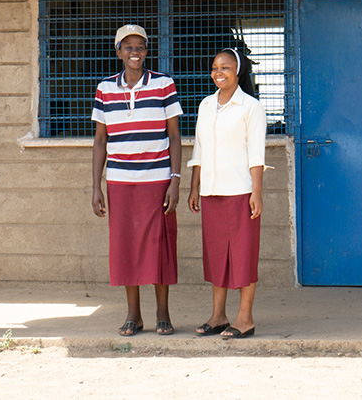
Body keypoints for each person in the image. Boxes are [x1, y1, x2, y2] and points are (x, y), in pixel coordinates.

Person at [91, 24, 183, 336]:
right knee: (126, 246)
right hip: (119, 181)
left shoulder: (163, 84)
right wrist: (96, 186)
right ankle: (134, 315)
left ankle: (162, 313)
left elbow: (173, 134)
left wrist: (175, 179)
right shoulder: (105, 88)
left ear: (146, 51)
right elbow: (100, 140)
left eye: (140, 47)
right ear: (118, 52)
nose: (134, 52)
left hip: (157, 179)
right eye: (127, 47)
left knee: (160, 246)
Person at [187, 48, 266, 339]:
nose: (219, 72)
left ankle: (244, 318)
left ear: (238, 71)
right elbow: (199, 148)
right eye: (215, 68)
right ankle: (218, 316)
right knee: (216, 255)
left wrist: (256, 191)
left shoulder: (250, 107)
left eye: (226, 67)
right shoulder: (206, 105)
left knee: (243, 255)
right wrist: (195, 187)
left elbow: (256, 153)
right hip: (211, 192)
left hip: (241, 191)